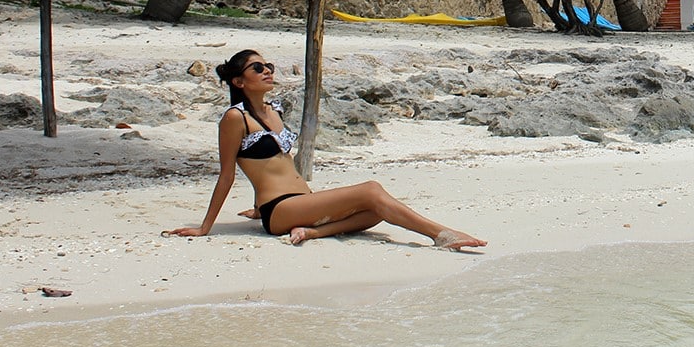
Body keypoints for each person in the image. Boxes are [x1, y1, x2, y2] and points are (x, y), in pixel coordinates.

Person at [166, 49, 486, 251]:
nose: (268, 71)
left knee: (377, 211)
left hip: (300, 202)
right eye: (257, 67)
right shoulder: (235, 119)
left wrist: (253, 206)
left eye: (269, 65)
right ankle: (440, 234)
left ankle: (314, 233)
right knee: (373, 190)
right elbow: (227, 174)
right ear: (239, 81)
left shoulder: (274, 111)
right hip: (279, 210)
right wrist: (205, 227)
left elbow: (277, 165)